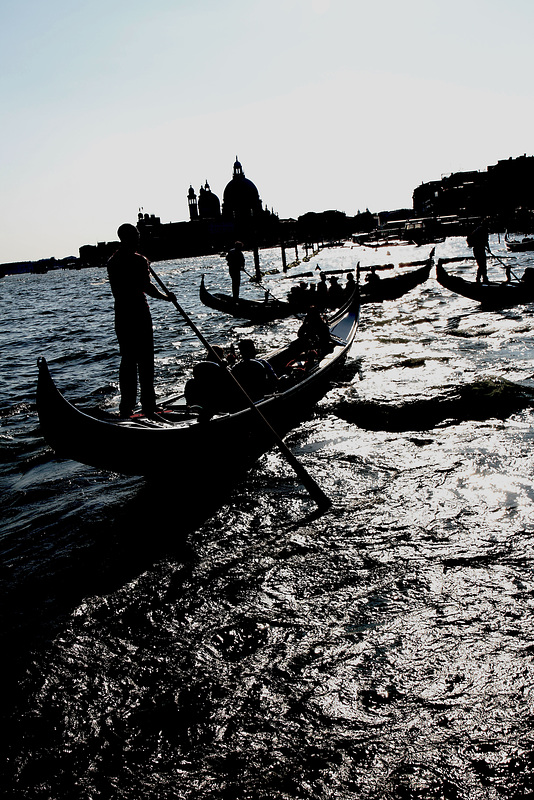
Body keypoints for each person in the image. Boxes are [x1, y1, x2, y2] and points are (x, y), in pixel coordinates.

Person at [107, 223, 174, 418]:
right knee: (144, 361)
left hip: (121, 316)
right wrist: (166, 297)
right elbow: (147, 287)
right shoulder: (138, 261)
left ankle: (127, 407)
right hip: (138, 315)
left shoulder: (113, 261)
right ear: (128, 238)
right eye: (136, 236)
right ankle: (148, 406)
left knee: (128, 360)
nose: (139, 239)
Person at [185, 345, 234, 416]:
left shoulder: (201, 367)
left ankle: (190, 406)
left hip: (201, 400)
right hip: (214, 402)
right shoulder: (221, 368)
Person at [231, 338, 278, 403]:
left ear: (241, 352)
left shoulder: (235, 367)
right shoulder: (262, 362)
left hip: (245, 401)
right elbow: (274, 380)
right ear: (253, 350)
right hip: (264, 397)